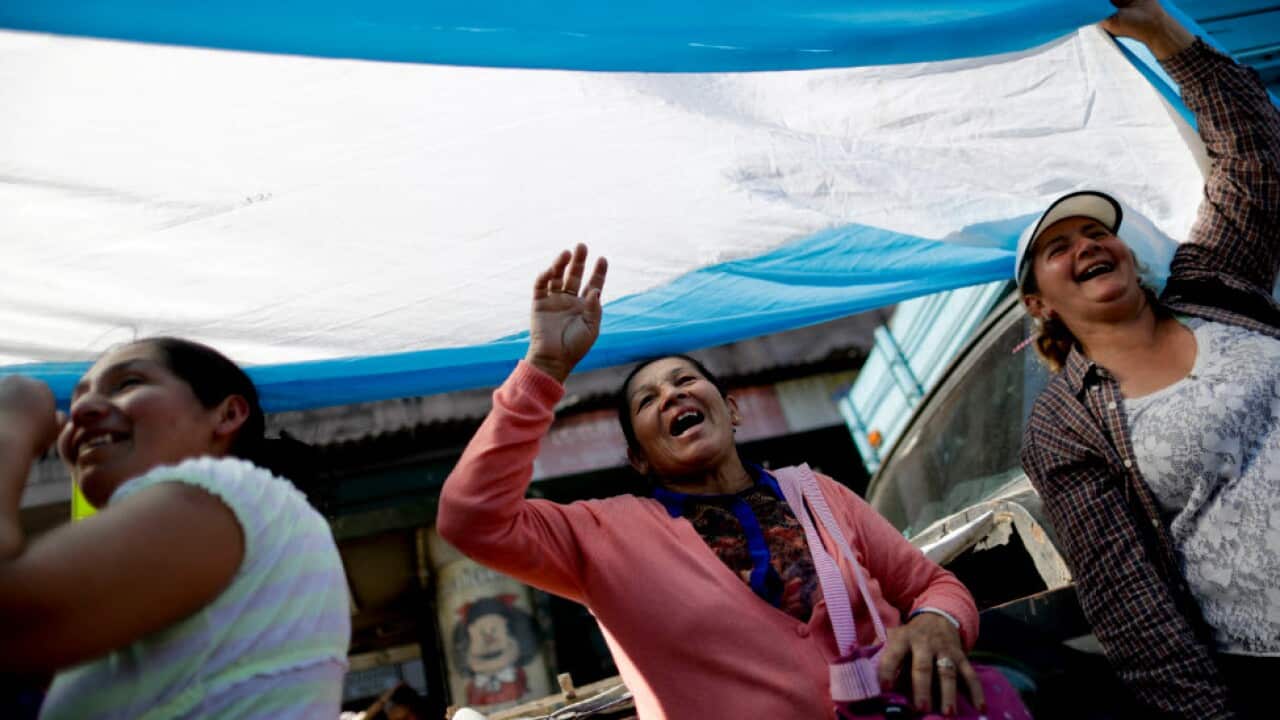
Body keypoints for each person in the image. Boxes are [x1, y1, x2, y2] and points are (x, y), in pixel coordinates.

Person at [438, 245, 983, 719]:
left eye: (685, 381)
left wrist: (937, 623)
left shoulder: (818, 495)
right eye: (648, 401)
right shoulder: (601, 534)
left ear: (731, 410)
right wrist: (544, 368)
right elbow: (470, 518)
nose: (671, 396)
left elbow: (935, 586)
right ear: (640, 460)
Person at [1016, 1, 1280, 717]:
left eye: (1096, 232)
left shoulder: (1216, 287)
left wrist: (1163, 34)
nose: (1087, 247)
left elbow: (1255, 156)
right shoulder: (1066, 425)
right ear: (1038, 300)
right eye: (1058, 247)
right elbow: (1131, 606)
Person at [0, 337, 351, 718]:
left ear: (228, 414)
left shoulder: (228, 489)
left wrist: (9, 429)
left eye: (127, 384)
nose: (82, 408)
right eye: (77, 397)